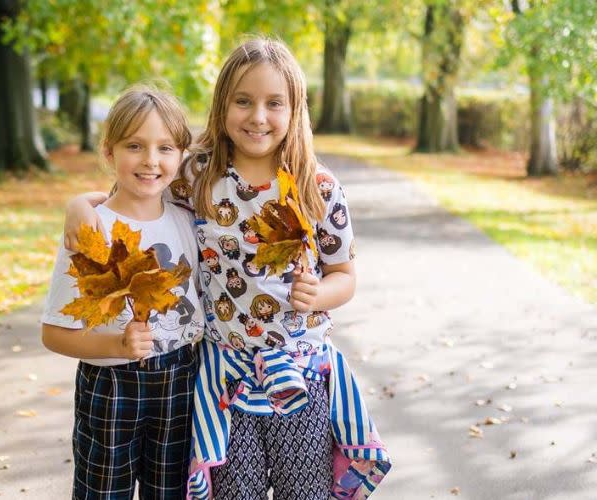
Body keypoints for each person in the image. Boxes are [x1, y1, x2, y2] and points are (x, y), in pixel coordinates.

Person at [63, 38, 390, 500]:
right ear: (222, 105)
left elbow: (345, 275)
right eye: (243, 101)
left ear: (295, 109)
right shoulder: (198, 175)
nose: (258, 116)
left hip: (300, 370)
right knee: (236, 492)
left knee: (305, 491)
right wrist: (81, 203)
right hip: (223, 378)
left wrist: (319, 294)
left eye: (274, 103)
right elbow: (135, 191)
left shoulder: (318, 187)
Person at [41, 85, 204, 499]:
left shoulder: (190, 220)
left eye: (165, 148)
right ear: (109, 151)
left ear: (181, 156)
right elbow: (53, 333)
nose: (151, 160)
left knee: (169, 492)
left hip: (180, 380)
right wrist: (117, 342)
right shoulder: (91, 230)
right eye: (135, 145)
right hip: (111, 385)